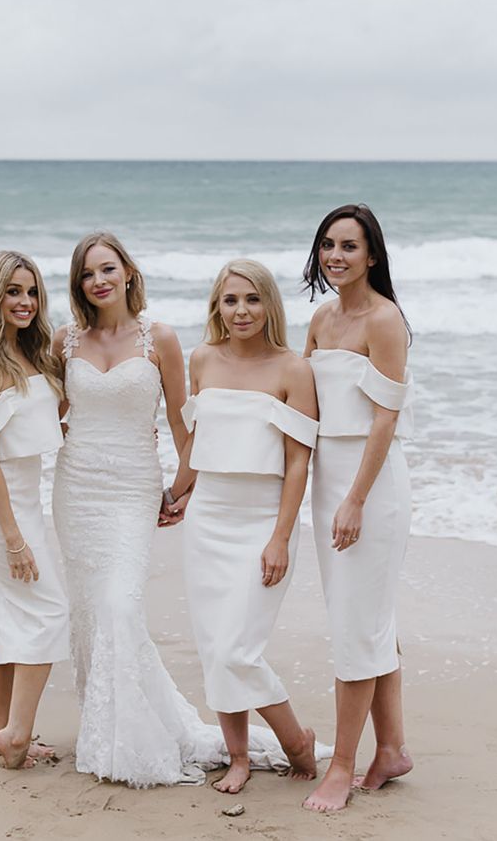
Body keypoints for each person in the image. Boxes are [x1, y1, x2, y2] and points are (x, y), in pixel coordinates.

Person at [51, 233, 297, 787]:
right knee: (91, 612)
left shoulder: (158, 338)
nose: (100, 281)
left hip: (134, 489)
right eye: (88, 274)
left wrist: (187, 488)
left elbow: (188, 428)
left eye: (108, 268)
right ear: (79, 284)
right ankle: (105, 729)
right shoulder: (65, 341)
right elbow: (51, 412)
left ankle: (139, 732)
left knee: (119, 604)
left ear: (129, 272)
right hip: (76, 490)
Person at [165, 259, 320, 795]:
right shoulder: (202, 358)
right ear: (217, 306)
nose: (241, 311)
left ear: (269, 305)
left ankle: (295, 741)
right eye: (230, 300)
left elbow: (299, 462)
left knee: (239, 650)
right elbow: (197, 445)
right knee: (215, 647)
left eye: (252, 299)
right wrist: (176, 491)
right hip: (208, 518)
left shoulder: (293, 370)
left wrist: (280, 537)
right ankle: (238, 757)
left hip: (262, 522)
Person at [301, 204, 414, 812]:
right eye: (327, 245)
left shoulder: (385, 320)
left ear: (372, 255)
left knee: (354, 627)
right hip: (327, 485)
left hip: (370, 489)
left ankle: (342, 766)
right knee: (371, 622)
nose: (336, 256)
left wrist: (356, 499)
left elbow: (386, 419)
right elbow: (302, 404)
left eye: (349, 246)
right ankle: (391, 748)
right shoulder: (320, 317)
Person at [0, 251, 68, 769]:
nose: (25, 302)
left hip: (22, 497)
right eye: (13, 291)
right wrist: (14, 539)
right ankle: (17, 736)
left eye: (31, 291)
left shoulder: (33, 353)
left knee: (6, 619)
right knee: (48, 611)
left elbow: (44, 418)